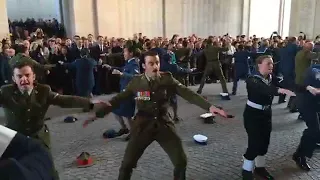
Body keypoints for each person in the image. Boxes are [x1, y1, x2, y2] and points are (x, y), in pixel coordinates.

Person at [84, 50, 232, 180]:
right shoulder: (136, 83)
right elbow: (118, 100)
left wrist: (210, 106)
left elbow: (188, 93)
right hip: (142, 125)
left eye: (157, 63)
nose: (155, 67)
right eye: (151, 64)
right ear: (144, 66)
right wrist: (98, 114)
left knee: (181, 161)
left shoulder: (167, 79)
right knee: (127, 164)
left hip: (164, 124)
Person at [0, 60, 107, 180]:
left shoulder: (43, 91)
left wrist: (89, 103)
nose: (24, 79)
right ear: (14, 79)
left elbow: (65, 100)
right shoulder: (6, 92)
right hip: (16, 141)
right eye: (19, 76)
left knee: (48, 170)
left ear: (34, 76)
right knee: (17, 172)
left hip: (38, 138)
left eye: (27, 75)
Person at [241, 55, 316, 180]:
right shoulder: (252, 79)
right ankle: (246, 171)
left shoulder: (271, 77)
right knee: (254, 143)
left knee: (264, 142)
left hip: (266, 114)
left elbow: (288, 83)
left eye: (272, 63)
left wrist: (306, 87)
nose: (271, 66)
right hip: (252, 115)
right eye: (268, 63)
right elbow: (265, 89)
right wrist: (280, 90)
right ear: (259, 65)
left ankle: (260, 168)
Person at [102, 46, 141, 140]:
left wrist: (121, 74)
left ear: (131, 53)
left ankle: (133, 133)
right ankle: (124, 128)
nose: (123, 54)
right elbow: (122, 69)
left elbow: (135, 77)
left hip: (129, 92)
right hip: (123, 91)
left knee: (128, 115)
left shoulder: (134, 64)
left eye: (125, 52)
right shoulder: (129, 62)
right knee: (115, 109)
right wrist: (111, 67)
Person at [293, 64, 320, 171]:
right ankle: (299, 155)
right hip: (307, 103)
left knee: (316, 131)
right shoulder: (314, 70)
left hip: (316, 103)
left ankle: (315, 141)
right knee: (314, 130)